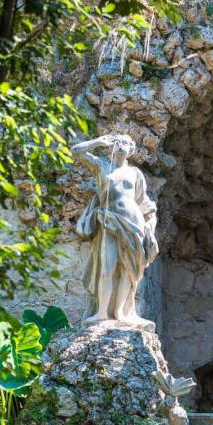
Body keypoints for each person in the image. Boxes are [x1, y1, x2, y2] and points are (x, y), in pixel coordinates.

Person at [73, 133, 159, 326]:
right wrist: (99, 141)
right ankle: (102, 312)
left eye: (127, 142)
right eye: (119, 141)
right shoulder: (102, 165)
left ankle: (120, 313)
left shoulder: (135, 173)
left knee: (128, 271)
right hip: (108, 221)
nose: (122, 145)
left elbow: (144, 202)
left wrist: (150, 225)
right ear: (112, 145)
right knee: (107, 266)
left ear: (131, 150)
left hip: (133, 223)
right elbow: (76, 152)